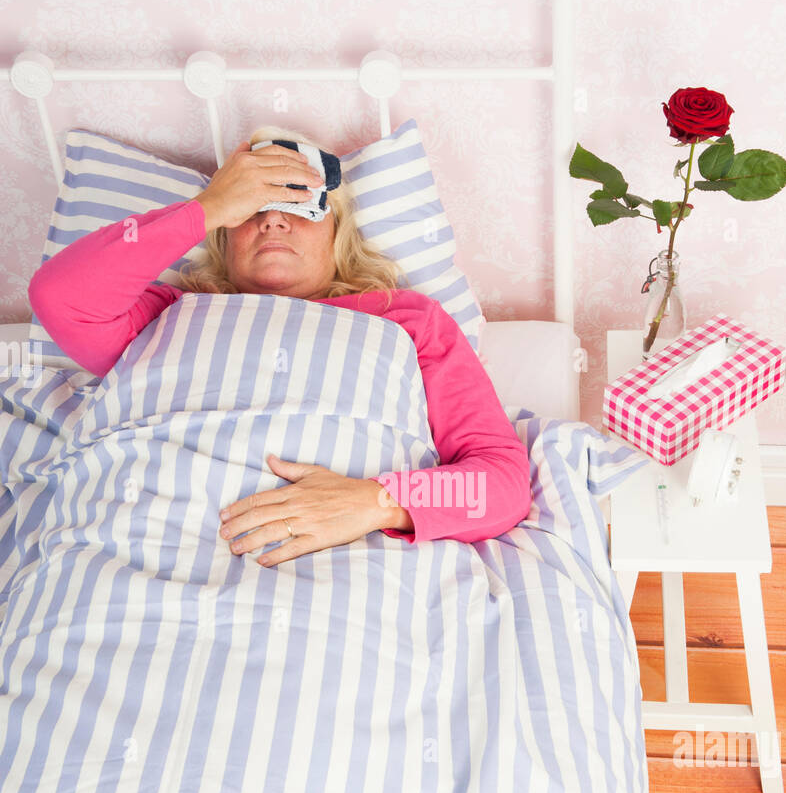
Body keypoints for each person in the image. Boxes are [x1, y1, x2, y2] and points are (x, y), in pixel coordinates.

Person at [27, 126, 532, 562]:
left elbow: (502, 483)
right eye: (252, 208)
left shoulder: (408, 320)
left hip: (349, 560)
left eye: (299, 203)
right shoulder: (164, 313)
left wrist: (376, 502)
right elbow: (60, 295)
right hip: (142, 538)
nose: (273, 219)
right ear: (223, 237)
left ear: (338, 233)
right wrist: (207, 207)